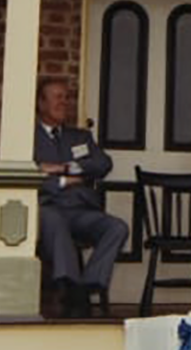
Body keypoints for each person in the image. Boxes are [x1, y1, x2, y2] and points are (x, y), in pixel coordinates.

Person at [34, 77, 129, 318]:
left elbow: (103, 163)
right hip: (47, 207)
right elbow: (27, 173)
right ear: (41, 103)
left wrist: (65, 168)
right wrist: (64, 181)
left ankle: (87, 285)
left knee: (117, 227)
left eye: (66, 97)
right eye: (57, 97)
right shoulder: (27, 138)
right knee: (55, 221)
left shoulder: (80, 137)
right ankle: (70, 287)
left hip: (80, 209)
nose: (63, 102)